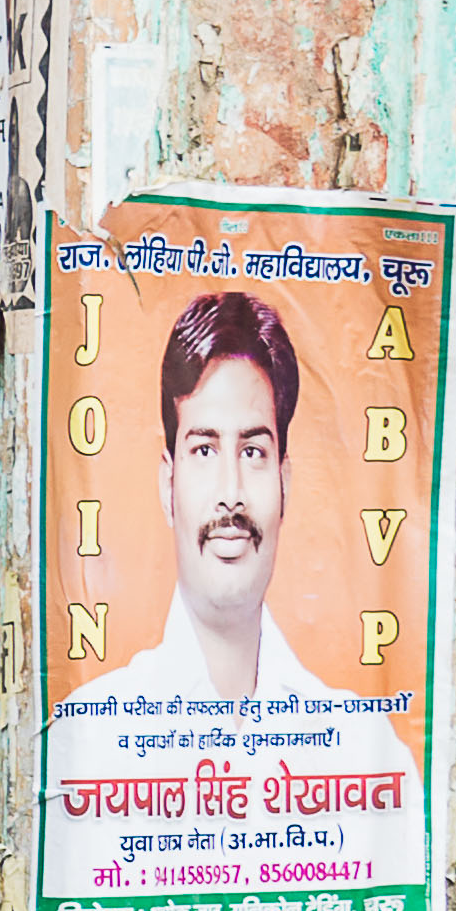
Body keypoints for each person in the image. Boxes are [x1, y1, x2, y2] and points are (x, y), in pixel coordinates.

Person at [82, 287, 407, 747]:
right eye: (204, 450)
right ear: (167, 485)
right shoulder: (89, 741)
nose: (230, 494)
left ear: (285, 484)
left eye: (253, 451)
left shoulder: (363, 748)